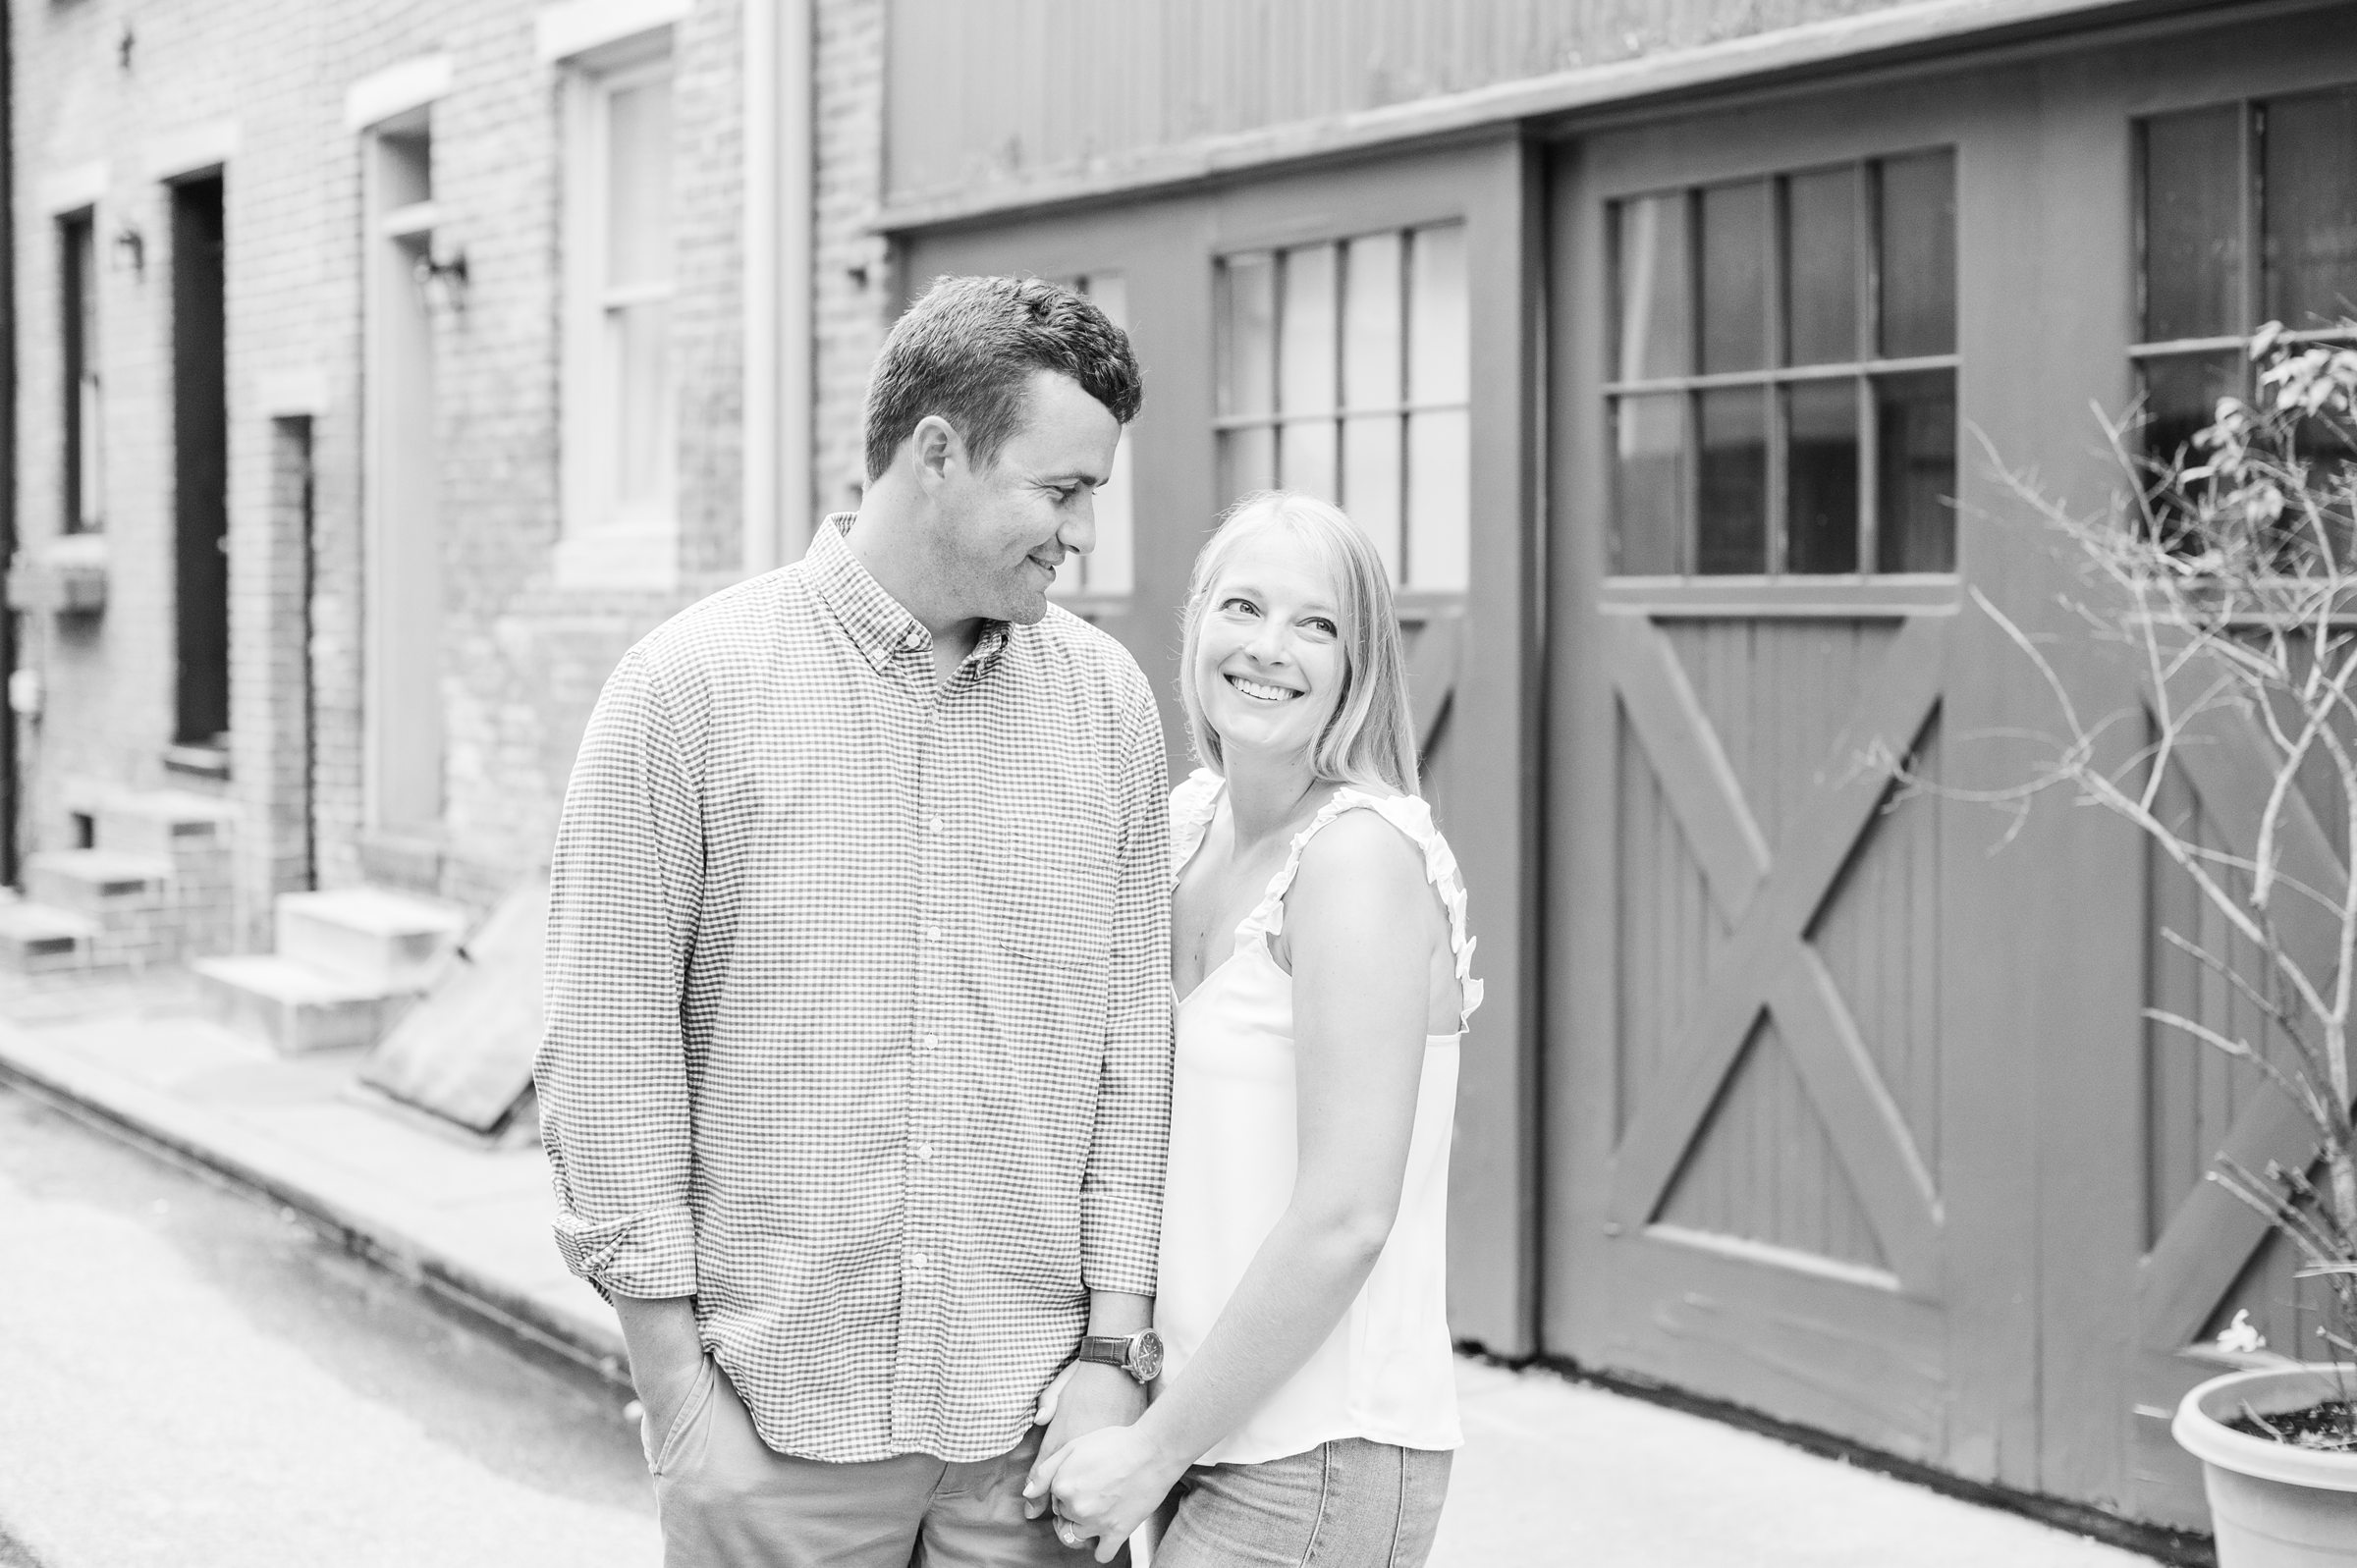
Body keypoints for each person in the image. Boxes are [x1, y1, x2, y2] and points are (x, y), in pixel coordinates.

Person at [535, 275, 1173, 1567]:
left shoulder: (1107, 705)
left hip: (1032, 1442)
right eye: (1062, 491)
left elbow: (1129, 1048)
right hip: (774, 1441)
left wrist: (1117, 1349)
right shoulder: (688, 691)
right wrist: (680, 1408)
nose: (1083, 535)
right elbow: (609, 1065)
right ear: (938, 452)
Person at [1029, 492, 1479, 1565]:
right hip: (1191, 1428)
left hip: (1316, 1454)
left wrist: (1151, 1452)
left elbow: (1346, 1216)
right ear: (1196, 630)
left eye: (1316, 624)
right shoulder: (1185, 827)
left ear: (1359, 661)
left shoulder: (1360, 861)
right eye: (1243, 606)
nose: (1269, 649)